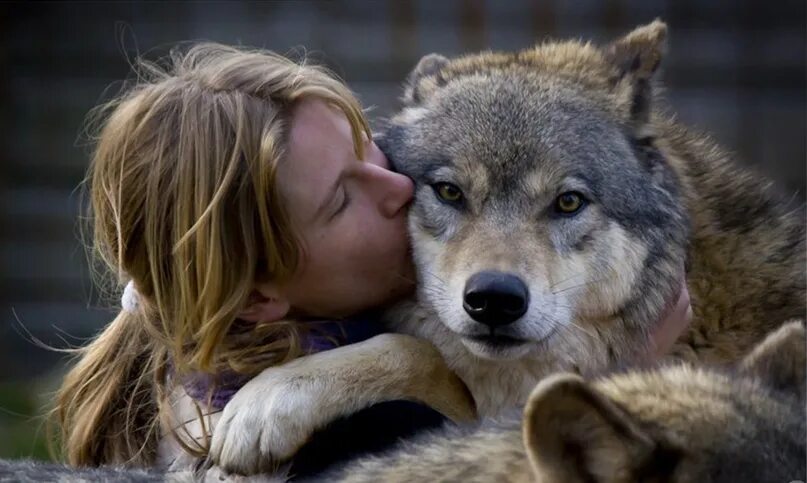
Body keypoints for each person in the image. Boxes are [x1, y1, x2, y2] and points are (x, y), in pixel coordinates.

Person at [53, 42, 692, 474]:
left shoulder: (197, 337)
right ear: (255, 297)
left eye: (371, 152)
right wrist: (616, 397)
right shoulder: (370, 437)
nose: (400, 188)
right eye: (341, 200)